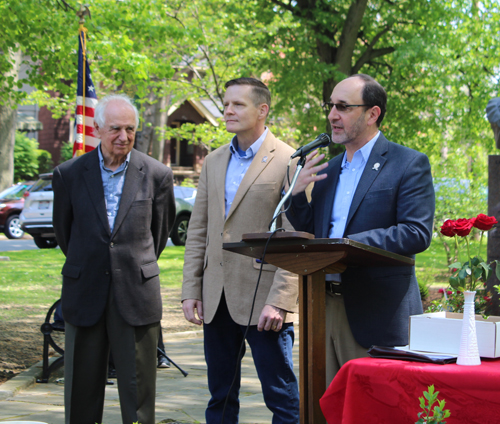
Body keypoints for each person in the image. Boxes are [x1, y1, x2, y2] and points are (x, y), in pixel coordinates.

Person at [286, 74, 435, 384]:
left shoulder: (407, 163)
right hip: (321, 306)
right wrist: (297, 193)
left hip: (376, 312)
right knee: (325, 408)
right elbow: (313, 230)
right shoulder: (329, 168)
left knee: (374, 410)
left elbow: (415, 232)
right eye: (330, 106)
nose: (331, 115)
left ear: (372, 114)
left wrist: (347, 244)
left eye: (343, 107)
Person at [182, 77, 300, 423]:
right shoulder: (215, 161)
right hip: (215, 297)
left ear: (262, 110)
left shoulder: (290, 160)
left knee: (282, 399)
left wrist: (281, 300)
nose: (228, 110)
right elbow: (199, 230)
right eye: (226, 104)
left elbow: (294, 238)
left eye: (238, 104)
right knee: (219, 396)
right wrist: (192, 288)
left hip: (265, 302)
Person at [52, 93, 175, 424]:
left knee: (138, 398)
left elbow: (158, 233)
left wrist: (128, 262)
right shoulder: (68, 174)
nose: (124, 137)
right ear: (97, 129)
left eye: (130, 129)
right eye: (116, 129)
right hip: (85, 291)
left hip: (136, 294)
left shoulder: (157, 174)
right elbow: (65, 233)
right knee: (80, 393)